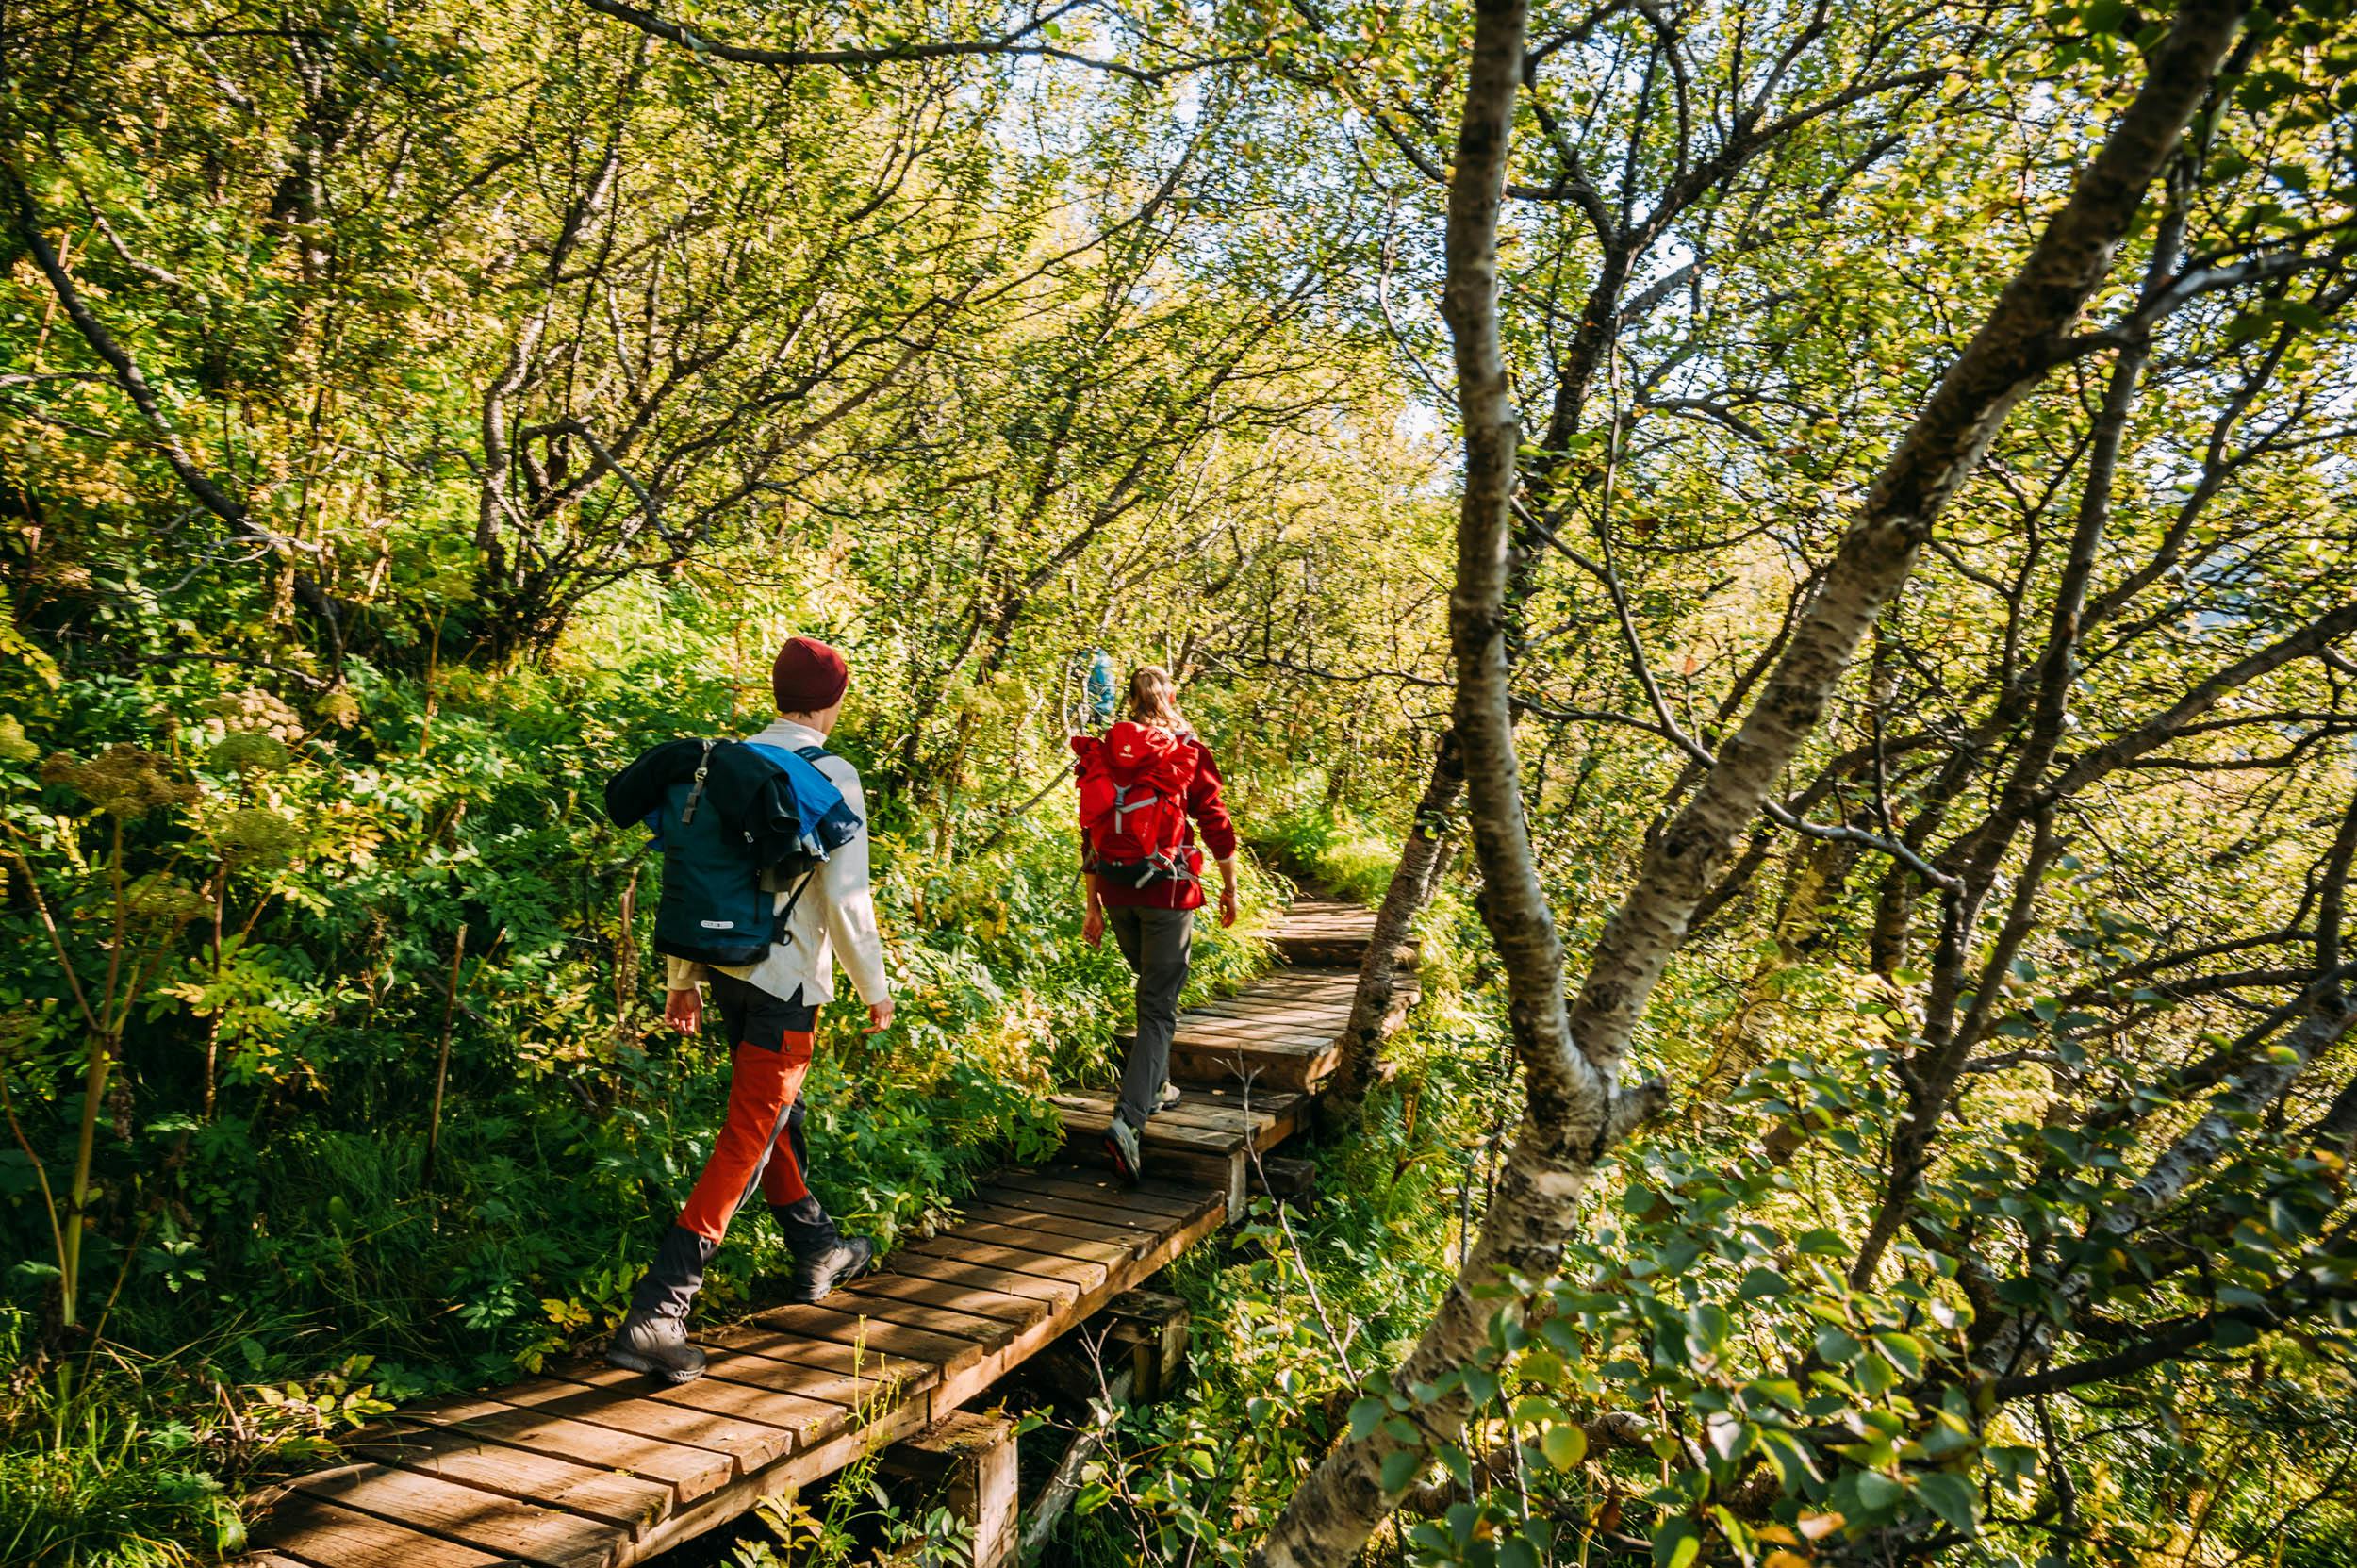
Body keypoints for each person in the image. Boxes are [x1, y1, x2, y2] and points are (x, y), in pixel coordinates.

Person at [602, 635, 895, 1383]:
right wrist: (875, 987)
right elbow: (847, 898)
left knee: (773, 1117)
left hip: (727, 972)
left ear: (776, 692)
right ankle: (659, 1310)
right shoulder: (831, 772)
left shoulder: (722, 762)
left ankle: (816, 1245)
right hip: (787, 981)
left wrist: (682, 976)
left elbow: (694, 874)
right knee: (749, 1134)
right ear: (833, 699)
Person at [1076, 666, 1239, 1182]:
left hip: (1118, 889)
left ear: (1130, 700)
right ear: (1170, 697)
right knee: (1158, 1008)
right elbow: (1213, 819)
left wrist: (1094, 905)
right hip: (1167, 891)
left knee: (1150, 995)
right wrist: (1231, 885)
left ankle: (1159, 1086)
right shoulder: (1183, 748)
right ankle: (1128, 1121)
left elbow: (1089, 829)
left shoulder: (1107, 750)